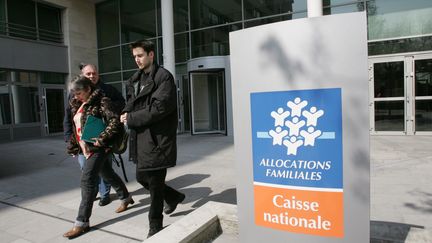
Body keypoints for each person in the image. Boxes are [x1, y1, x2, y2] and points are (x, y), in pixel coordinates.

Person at [120, 39, 185, 238]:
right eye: (134, 57)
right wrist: (124, 114)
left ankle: (155, 227)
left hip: (158, 140)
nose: (137, 60)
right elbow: (131, 104)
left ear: (151, 54)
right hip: (141, 139)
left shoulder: (163, 78)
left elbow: (159, 109)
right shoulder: (135, 79)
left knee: (155, 187)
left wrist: (130, 118)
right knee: (141, 177)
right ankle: (174, 196)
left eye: (140, 55)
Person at [63, 75, 134, 239]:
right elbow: (77, 127)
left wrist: (101, 140)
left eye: (78, 93)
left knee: (87, 181)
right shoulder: (78, 104)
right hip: (85, 148)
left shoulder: (102, 101)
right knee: (107, 174)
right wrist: (74, 146)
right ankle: (126, 197)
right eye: (74, 93)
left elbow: (114, 122)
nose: (76, 96)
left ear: (88, 89)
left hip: (98, 148)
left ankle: (82, 222)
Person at [63, 63, 125, 207]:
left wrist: (106, 111)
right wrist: (69, 139)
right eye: (88, 74)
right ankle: (123, 195)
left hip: (101, 142)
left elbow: (119, 107)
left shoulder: (106, 92)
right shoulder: (74, 96)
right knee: (103, 172)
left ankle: (102, 196)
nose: (92, 76)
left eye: (94, 73)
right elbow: (69, 118)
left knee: (89, 177)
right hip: (82, 143)